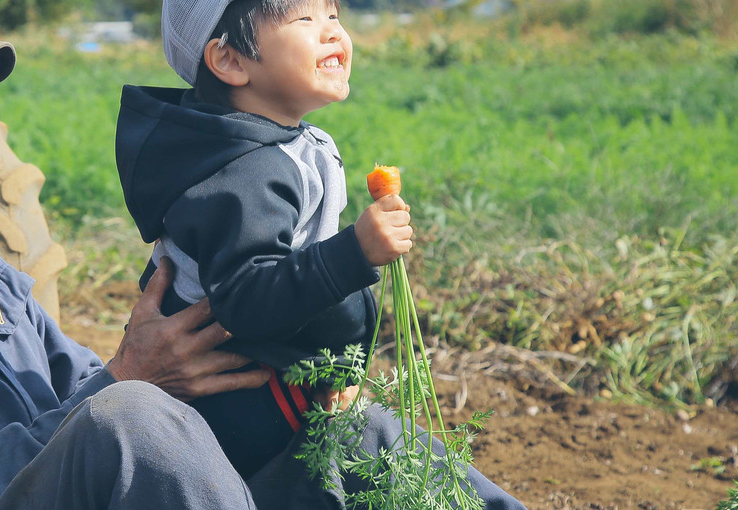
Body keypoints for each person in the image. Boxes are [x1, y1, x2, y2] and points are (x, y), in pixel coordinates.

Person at [0, 16, 523, 510]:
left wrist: (276, 390)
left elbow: (84, 392)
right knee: (135, 419)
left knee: (347, 432)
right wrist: (128, 383)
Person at [115, 0, 527, 507]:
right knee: (400, 468)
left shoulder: (274, 146)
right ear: (230, 62)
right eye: (304, 19)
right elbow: (247, 301)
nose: (333, 33)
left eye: (333, 16)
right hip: (241, 421)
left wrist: (333, 366)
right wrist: (354, 252)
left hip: (270, 405)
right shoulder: (244, 173)